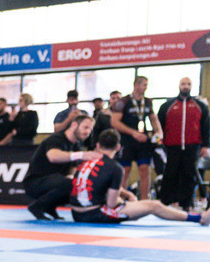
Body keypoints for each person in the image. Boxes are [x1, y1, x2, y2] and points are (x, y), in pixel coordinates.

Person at [71, 129, 210, 225]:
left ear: (97, 145)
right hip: (94, 214)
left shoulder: (86, 161)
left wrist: (127, 194)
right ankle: (199, 218)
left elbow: (97, 184)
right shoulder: (115, 168)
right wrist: (123, 201)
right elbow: (111, 204)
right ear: (118, 147)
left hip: (76, 213)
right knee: (153, 205)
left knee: (138, 205)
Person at [22, 113, 98, 220]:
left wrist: (71, 176)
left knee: (78, 186)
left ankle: (50, 207)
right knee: (68, 184)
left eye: (90, 129)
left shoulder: (76, 145)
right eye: (85, 127)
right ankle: (37, 206)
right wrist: (81, 155)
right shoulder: (56, 139)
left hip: (54, 181)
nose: (88, 132)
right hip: (35, 182)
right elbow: (53, 156)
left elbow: (73, 168)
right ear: (74, 125)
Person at [157, 77, 209, 210]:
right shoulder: (167, 106)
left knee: (189, 174)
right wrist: (160, 142)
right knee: (170, 173)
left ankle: (186, 204)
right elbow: (159, 126)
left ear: (191, 86)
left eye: (188, 84)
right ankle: (165, 202)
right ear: (179, 85)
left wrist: (205, 146)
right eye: (183, 84)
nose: (186, 86)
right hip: (172, 146)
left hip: (192, 146)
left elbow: (206, 127)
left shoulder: (200, 106)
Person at [112, 76, 163, 200]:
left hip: (143, 141)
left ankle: (144, 200)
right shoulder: (123, 102)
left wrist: (158, 133)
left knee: (145, 169)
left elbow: (154, 119)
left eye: (146, 85)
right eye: (144, 85)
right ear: (136, 85)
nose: (146, 87)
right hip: (126, 140)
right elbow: (114, 122)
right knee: (125, 170)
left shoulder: (148, 102)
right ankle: (120, 199)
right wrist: (133, 133)